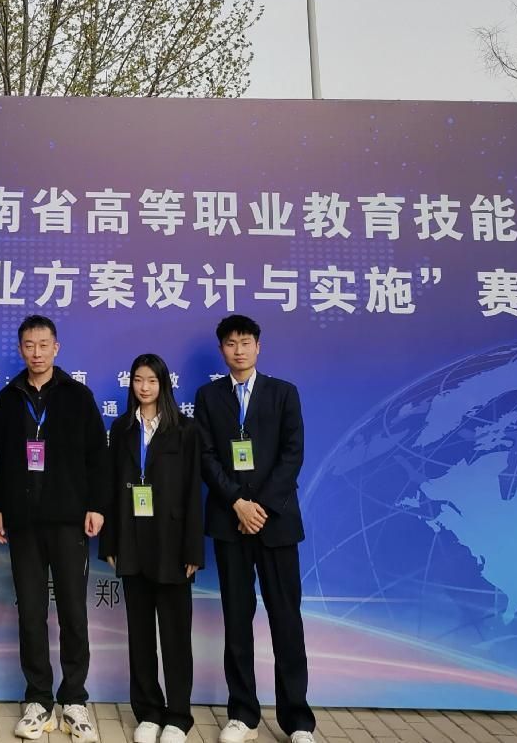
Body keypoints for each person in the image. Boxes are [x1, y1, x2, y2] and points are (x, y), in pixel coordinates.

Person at [193, 316, 317, 743]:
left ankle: (297, 721)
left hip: (276, 523)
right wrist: (237, 503)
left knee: (287, 620)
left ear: (258, 346)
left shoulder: (284, 393)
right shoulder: (208, 397)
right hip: (231, 523)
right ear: (222, 350)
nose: (239, 350)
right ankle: (242, 714)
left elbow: (293, 454)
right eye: (231, 343)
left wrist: (259, 507)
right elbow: (206, 456)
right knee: (236, 619)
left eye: (245, 342)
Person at [0, 315, 110, 743]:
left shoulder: (77, 396)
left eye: (44, 345)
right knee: (31, 612)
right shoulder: (8, 399)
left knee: (74, 611)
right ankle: (38, 699)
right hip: (23, 523)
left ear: (56, 348)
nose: (36, 353)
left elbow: (98, 456)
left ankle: (74, 698)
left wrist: (96, 506)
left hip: (68, 521)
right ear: (20, 349)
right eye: (29, 345)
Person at [100, 353, 204, 743]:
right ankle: (147, 711)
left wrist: (193, 550)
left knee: (175, 636)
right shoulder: (122, 428)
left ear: (164, 385)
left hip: (173, 544)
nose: (144, 387)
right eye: (138, 380)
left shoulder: (185, 430)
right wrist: (110, 542)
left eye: (152, 381)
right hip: (132, 541)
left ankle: (178, 716)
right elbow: (111, 488)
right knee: (140, 634)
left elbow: (194, 493)